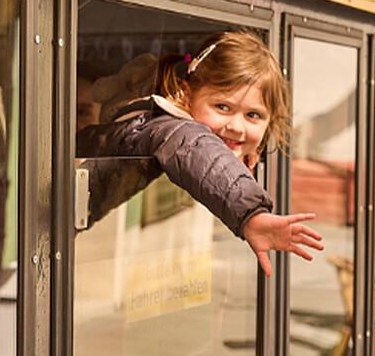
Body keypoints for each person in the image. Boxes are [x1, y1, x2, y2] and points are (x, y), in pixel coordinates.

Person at [76, 31, 323, 277]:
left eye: (253, 115)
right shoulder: (169, 128)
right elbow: (197, 148)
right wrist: (251, 213)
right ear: (186, 93)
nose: (237, 126)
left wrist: (247, 152)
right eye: (222, 107)